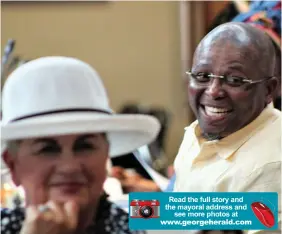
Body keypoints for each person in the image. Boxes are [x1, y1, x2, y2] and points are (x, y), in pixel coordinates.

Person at [0, 56, 161, 234]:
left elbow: (190, 212)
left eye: (85, 146)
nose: (69, 167)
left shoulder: (134, 223)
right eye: (47, 149)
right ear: (12, 165)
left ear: (106, 155)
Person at [173, 22, 281, 233]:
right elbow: (179, 217)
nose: (213, 92)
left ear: (269, 90)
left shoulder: (270, 166)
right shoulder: (201, 132)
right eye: (202, 76)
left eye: (234, 80)